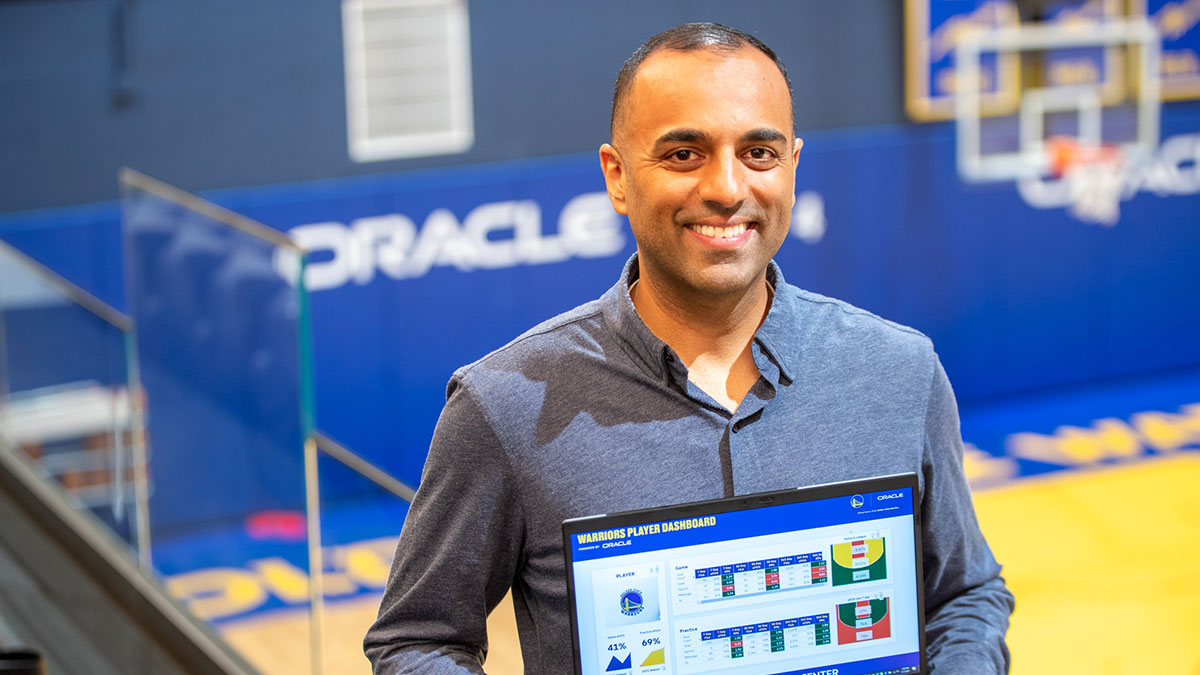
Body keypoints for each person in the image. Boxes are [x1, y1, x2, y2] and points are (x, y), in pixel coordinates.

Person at [365, 22, 1014, 674]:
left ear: (792, 167)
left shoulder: (899, 371)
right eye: (684, 154)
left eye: (758, 152)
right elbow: (417, 641)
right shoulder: (504, 404)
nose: (727, 188)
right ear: (617, 177)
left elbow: (965, 594)